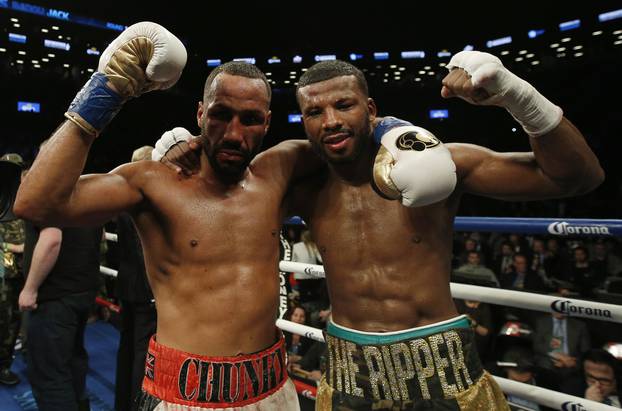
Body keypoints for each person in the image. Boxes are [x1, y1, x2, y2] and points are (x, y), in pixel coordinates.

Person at [161, 52, 603, 408]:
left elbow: (577, 178)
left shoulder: (442, 164)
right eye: (314, 111)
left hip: (444, 368)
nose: (330, 120)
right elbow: (224, 189)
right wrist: (185, 147)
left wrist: (514, 96)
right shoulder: (299, 187)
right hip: (349, 375)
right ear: (302, 121)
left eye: (343, 105)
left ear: (370, 109)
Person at [15, 22, 321, 410]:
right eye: (220, 114)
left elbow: (348, 133)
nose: (232, 132)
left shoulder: (280, 173)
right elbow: (35, 203)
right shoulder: (154, 183)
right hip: (181, 395)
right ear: (199, 113)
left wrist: (396, 133)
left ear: (267, 122)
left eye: (250, 119)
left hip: (272, 391)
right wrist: (105, 90)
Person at [19, 194, 103, 409]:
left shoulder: (49, 197)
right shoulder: (85, 197)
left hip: (54, 299)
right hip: (80, 293)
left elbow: (51, 240)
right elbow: (100, 238)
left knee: (50, 376)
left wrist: (30, 289)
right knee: (73, 365)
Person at [114, 146, 157, 411]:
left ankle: (122, 404)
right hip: (144, 288)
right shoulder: (144, 198)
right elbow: (143, 249)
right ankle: (136, 406)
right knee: (142, 353)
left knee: (127, 346)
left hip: (127, 285)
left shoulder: (122, 196)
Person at [0, 153, 26, 386]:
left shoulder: (26, 198)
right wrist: (12, 246)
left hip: (20, 273)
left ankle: (4, 365)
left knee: (13, 320)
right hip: (3, 273)